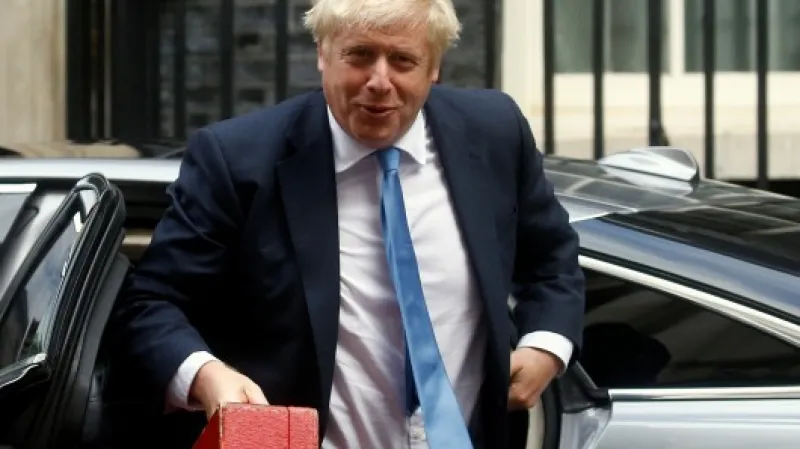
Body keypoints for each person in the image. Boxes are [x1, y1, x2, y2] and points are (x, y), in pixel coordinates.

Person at [113, 0, 585, 448]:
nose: (379, 81)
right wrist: (206, 375)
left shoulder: (494, 132)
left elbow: (552, 261)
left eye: (403, 60)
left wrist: (546, 344)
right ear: (322, 54)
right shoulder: (239, 160)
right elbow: (152, 303)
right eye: (359, 55)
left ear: (435, 67)